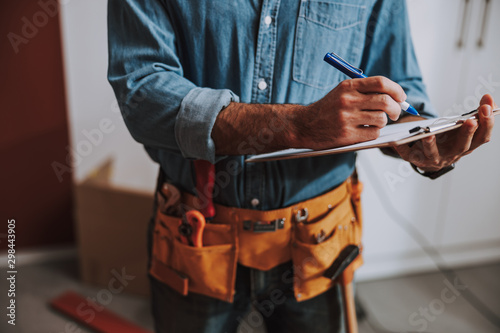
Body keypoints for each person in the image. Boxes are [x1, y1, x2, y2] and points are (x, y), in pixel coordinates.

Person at [107, 1, 496, 332]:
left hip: (319, 243)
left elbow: (397, 92)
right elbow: (141, 93)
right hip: (196, 234)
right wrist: (298, 125)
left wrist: (419, 139)